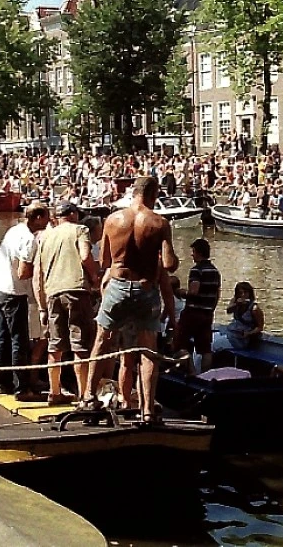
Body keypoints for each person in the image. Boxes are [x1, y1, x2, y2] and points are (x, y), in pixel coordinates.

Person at [81, 176, 178, 423]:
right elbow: (169, 264)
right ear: (154, 194)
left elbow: (104, 261)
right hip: (145, 289)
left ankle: (89, 397)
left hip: (117, 285)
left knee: (101, 342)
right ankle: (147, 411)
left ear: (132, 192)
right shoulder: (159, 222)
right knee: (148, 351)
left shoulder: (112, 220)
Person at [33, 202, 98, 404]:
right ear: (73, 214)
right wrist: (95, 277)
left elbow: (38, 274)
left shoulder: (44, 236)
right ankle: (83, 395)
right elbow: (86, 256)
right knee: (80, 345)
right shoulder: (80, 229)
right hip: (76, 290)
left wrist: (41, 305)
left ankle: (54, 392)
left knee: (55, 346)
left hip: (52, 291)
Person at [0, 202, 50, 399]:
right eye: (47, 217)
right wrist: (40, 269)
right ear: (38, 218)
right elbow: (23, 273)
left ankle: (2, 383)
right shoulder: (29, 239)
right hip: (14, 292)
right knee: (18, 341)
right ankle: (21, 388)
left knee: (3, 338)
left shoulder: (14, 230)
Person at [171, 238, 220, 372]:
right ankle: (204, 375)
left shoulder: (196, 270)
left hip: (192, 313)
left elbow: (193, 291)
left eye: (193, 252)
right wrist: (210, 309)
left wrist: (181, 292)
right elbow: (217, 294)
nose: (192, 255)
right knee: (205, 349)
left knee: (181, 344)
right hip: (208, 313)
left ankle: (191, 373)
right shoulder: (215, 271)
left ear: (198, 252)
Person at [223, 281, 264, 351]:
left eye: (245, 293)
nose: (243, 295)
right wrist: (237, 304)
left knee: (211, 346)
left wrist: (249, 333)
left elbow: (260, 327)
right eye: (240, 293)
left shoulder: (254, 308)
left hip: (241, 339)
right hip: (231, 332)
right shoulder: (235, 302)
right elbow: (228, 311)